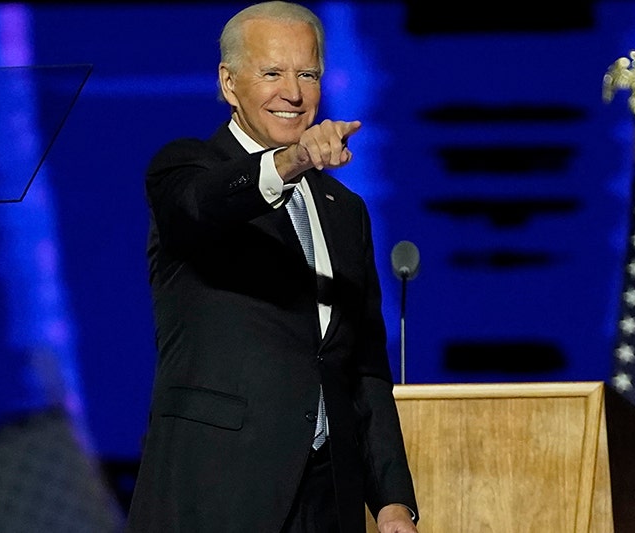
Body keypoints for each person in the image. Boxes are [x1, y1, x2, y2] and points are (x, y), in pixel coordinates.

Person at [126, 2, 419, 532]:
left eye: (308, 74)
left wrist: (393, 500)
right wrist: (293, 160)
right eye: (272, 73)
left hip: (327, 500)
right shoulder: (184, 169)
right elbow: (201, 205)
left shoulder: (345, 210)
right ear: (229, 82)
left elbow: (364, 368)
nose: (293, 93)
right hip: (217, 492)